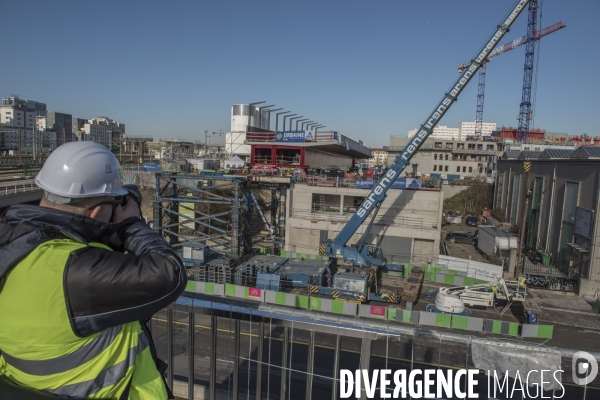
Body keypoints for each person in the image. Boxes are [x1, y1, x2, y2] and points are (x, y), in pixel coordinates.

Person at [0, 141, 187, 399]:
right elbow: (170, 273)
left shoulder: (14, 243)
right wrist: (130, 224)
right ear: (98, 210)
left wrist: (103, 237)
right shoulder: (75, 271)